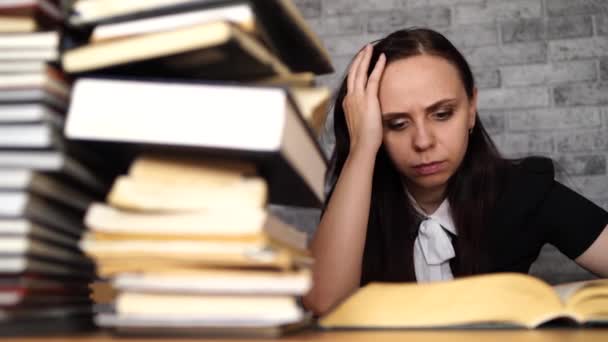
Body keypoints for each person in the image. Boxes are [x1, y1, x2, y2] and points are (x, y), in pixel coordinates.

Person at [303, 28, 608, 316]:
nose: (423, 141)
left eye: (442, 114)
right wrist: (362, 148)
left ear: (471, 108)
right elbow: (322, 302)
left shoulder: (524, 189)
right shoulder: (355, 202)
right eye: (396, 124)